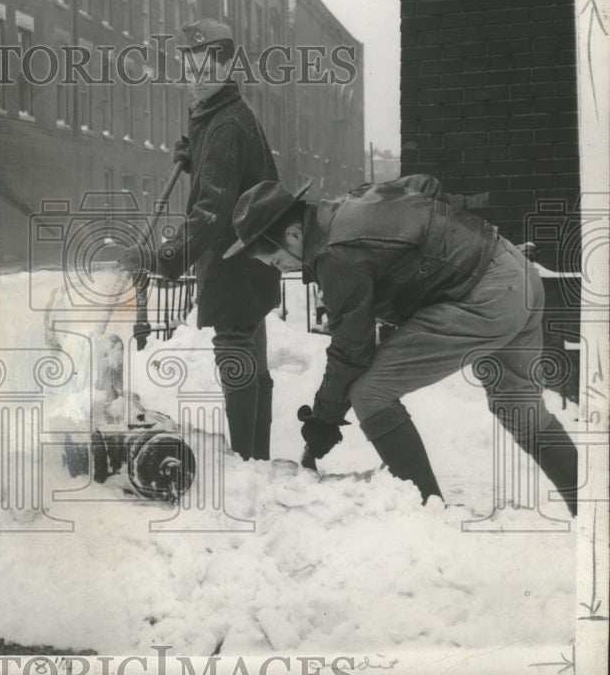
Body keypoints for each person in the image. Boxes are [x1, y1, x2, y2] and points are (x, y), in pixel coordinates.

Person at [222, 174, 578, 514]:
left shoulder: (336, 253)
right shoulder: (350, 203)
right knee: (522, 412)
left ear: (294, 234)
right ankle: (595, 514)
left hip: (485, 294)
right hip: (514, 270)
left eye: (277, 260)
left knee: (370, 392)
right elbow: (424, 184)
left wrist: (323, 419)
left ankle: (427, 515)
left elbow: (352, 349)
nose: (282, 270)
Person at [119, 19, 281, 461]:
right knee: (251, 361)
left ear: (227, 64)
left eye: (205, 62)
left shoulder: (226, 123)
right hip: (250, 259)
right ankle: (256, 460)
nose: (194, 72)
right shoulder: (222, 115)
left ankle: (248, 462)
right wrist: (198, 158)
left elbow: (211, 209)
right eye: (187, 62)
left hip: (234, 258)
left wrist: (163, 257)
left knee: (236, 356)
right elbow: (229, 180)